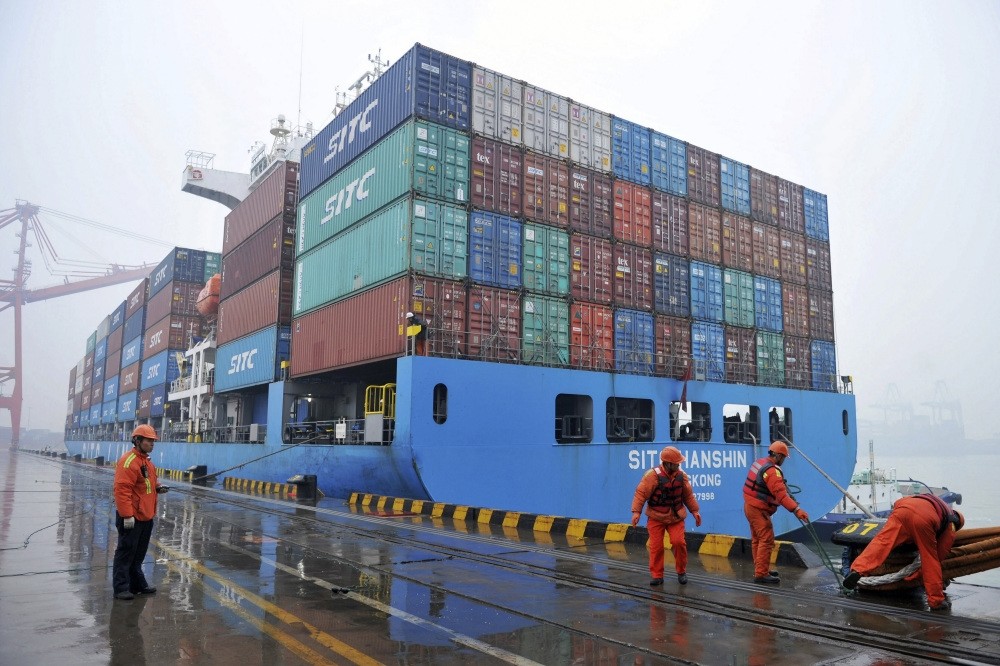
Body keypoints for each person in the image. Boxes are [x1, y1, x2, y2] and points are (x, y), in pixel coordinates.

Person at [843, 493, 964, 611]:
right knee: (931, 559)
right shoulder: (951, 524)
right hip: (924, 518)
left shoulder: (936, 502)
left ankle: (857, 570)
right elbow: (938, 556)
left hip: (902, 508)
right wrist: (917, 574)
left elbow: (899, 504)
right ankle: (936, 601)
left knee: (882, 543)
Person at [631, 446, 702, 586]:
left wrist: (695, 511)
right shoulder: (652, 476)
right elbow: (641, 493)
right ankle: (657, 575)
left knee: (679, 542)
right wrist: (636, 512)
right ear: (668, 463)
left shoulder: (682, 476)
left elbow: (688, 496)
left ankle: (681, 571)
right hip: (656, 517)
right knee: (656, 547)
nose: (679, 465)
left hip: (675, 517)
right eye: (676, 463)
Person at [112, 424, 168, 600]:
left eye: (153, 441)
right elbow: (122, 491)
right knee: (126, 552)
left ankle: (136, 584)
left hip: (146, 516)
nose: (152, 444)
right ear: (137, 440)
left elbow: (147, 484)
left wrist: (158, 487)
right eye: (149, 440)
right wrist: (127, 515)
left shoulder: (146, 462)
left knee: (138, 554)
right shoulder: (128, 462)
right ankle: (121, 587)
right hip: (132, 517)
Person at [742, 441, 809, 584]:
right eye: (783, 457)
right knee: (766, 538)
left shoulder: (760, 462)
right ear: (778, 456)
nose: (784, 460)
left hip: (750, 506)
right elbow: (781, 495)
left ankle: (761, 568)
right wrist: (796, 510)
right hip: (758, 509)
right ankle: (761, 574)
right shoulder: (772, 471)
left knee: (757, 539)